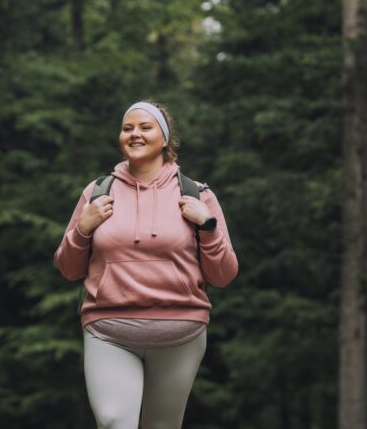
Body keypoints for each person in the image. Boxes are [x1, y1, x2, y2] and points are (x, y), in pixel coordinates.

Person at [54, 100, 239, 429]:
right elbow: (68, 268)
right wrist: (83, 228)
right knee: (114, 421)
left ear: (165, 139)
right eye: (127, 128)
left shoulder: (196, 194)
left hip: (180, 333)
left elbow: (223, 275)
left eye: (145, 127)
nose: (134, 134)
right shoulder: (98, 192)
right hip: (109, 330)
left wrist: (207, 225)